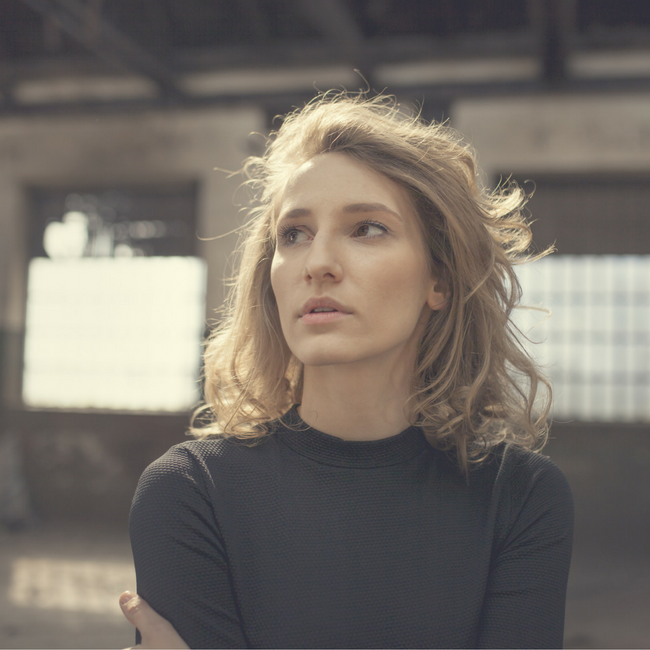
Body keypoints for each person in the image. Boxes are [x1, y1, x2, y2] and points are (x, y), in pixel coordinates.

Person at [122, 92, 574, 649]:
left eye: (366, 229)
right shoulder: (190, 493)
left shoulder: (520, 498)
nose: (318, 264)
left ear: (441, 279)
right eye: (294, 234)